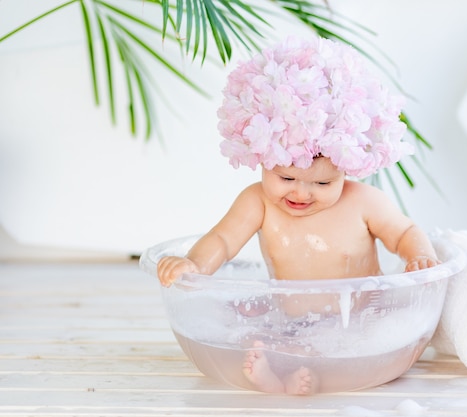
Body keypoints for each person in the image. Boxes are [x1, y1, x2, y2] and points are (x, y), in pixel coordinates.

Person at [157, 36, 439, 395]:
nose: (301, 193)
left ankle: (300, 377)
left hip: (359, 322)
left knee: (359, 344)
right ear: (262, 154)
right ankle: (284, 377)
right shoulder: (257, 201)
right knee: (260, 336)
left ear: (348, 167)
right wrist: (194, 265)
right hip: (291, 323)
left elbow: (404, 232)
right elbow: (223, 240)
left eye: (323, 182)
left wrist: (419, 256)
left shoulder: (364, 202)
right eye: (286, 177)